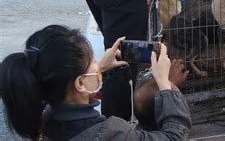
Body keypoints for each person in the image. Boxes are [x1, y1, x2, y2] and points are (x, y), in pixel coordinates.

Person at [0, 25, 192, 140]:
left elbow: (72, 85)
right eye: (92, 62)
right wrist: (165, 85)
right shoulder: (110, 132)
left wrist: (99, 69)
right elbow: (174, 137)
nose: (97, 64)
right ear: (80, 84)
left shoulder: (45, 115)